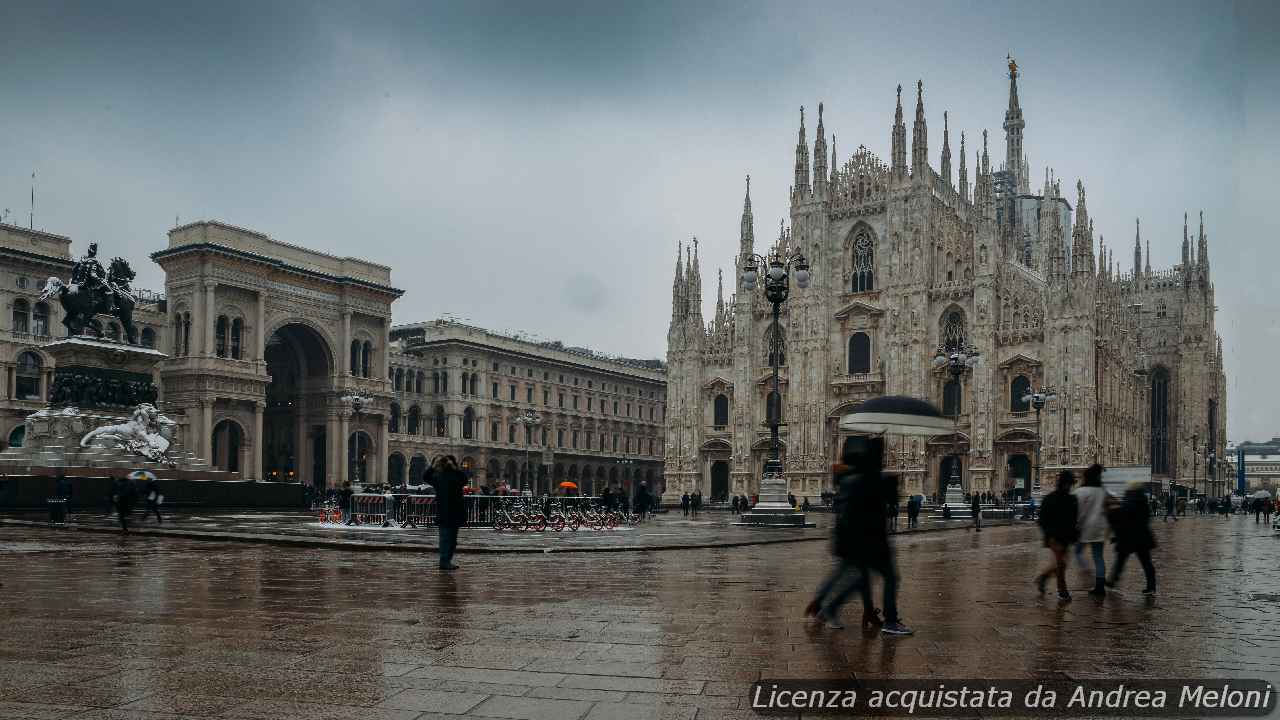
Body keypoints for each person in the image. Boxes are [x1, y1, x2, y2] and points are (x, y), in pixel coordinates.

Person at [809, 436, 913, 636]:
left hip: (853, 540)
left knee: (860, 580)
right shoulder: (873, 479)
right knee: (888, 578)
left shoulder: (848, 479)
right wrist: (891, 482)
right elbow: (890, 500)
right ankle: (889, 620)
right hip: (871, 540)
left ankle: (830, 606)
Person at [1035, 471, 1080, 602]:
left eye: (1070, 484)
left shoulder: (1072, 500)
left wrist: (1074, 534)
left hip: (1066, 537)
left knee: (1063, 564)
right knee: (1061, 564)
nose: (1068, 486)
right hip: (1054, 537)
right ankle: (1062, 592)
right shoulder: (1050, 498)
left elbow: (1074, 519)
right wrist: (1049, 535)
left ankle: (1043, 577)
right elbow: (1042, 519)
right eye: (1067, 484)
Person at [1107, 480, 1157, 594]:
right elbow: (1147, 518)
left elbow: (1122, 519)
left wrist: (1116, 535)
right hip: (1142, 536)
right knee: (1146, 563)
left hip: (1128, 537)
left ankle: (1112, 581)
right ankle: (1151, 586)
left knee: (1120, 561)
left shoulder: (1128, 499)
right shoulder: (1143, 500)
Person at [1073, 464, 1110, 597]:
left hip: (1086, 527)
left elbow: (1078, 512)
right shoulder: (1102, 490)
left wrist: (1076, 525)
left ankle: (1087, 570)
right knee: (1098, 557)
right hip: (1100, 527)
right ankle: (1100, 587)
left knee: (1077, 552)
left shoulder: (1081, 491)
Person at [424, 455, 466, 571]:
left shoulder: (455, 477)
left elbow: (465, 479)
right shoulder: (439, 477)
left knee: (451, 540)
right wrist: (433, 466)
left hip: (451, 512)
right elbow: (426, 477)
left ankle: (447, 561)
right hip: (447, 512)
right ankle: (444, 561)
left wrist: (455, 467)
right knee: (446, 539)